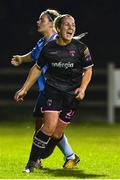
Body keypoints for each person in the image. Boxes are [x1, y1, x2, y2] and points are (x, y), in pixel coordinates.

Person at [14, 14, 93, 173]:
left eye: (73, 25)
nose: (71, 28)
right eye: (67, 25)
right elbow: (36, 68)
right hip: (53, 91)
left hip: (71, 96)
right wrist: (24, 89)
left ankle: (46, 155)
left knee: (57, 134)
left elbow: (88, 69)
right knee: (48, 127)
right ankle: (31, 163)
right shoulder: (48, 48)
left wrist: (82, 88)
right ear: (58, 28)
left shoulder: (81, 48)